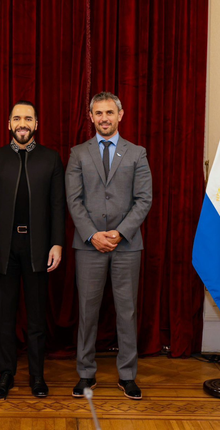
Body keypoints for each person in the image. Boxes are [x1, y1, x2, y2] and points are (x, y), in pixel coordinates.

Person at [65, 91, 152, 400]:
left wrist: (119, 232)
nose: (104, 118)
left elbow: (144, 200)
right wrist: (93, 235)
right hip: (88, 246)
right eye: (98, 113)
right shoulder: (78, 153)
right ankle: (86, 375)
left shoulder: (137, 153)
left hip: (127, 246)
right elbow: (73, 201)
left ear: (120, 115)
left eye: (109, 113)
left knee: (126, 312)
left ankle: (127, 376)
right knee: (87, 312)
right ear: (91, 117)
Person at [0, 100, 65, 399]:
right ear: (9, 125)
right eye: (17, 118)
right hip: (4, 248)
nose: (22, 123)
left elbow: (58, 205)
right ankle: (6, 374)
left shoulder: (51, 159)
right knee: (5, 316)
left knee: (37, 318)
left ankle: (38, 377)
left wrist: (57, 242)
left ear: (36, 124)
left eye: (28, 118)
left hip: (39, 248)